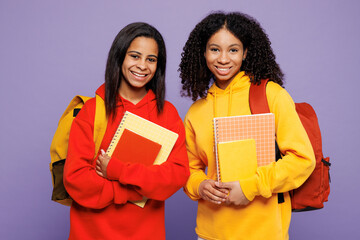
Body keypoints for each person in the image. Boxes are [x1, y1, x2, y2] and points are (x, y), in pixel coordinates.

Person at [179, 12, 315, 240]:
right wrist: (199, 185)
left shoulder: (272, 95)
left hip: (264, 232)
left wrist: (250, 187)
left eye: (233, 50)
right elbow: (188, 169)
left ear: (245, 52)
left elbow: (302, 160)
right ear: (203, 53)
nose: (223, 59)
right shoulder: (196, 111)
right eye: (214, 49)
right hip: (210, 232)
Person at [64, 22, 189, 240]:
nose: (142, 65)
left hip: (146, 234)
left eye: (151, 59)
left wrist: (117, 170)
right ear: (119, 57)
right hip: (90, 234)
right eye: (135, 56)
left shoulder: (167, 114)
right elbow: (76, 179)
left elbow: (177, 175)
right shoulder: (92, 111)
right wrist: (133, 190)